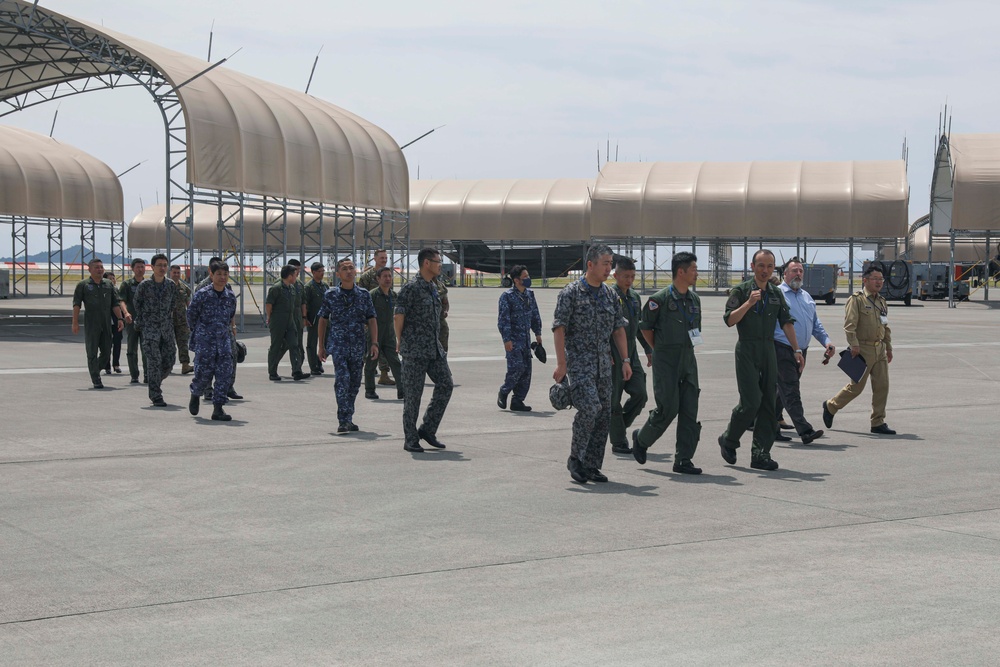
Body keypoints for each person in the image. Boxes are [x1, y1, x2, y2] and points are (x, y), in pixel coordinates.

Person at [718, 249, 804, 471]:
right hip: (747, 347)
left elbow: (786, 322)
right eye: (761, 266)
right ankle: (729, 438)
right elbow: (729, 320)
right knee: (751, 401)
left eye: (769, 266)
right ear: (752, 266)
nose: (765, 271)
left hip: (769, 349)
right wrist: (747, 304)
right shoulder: (742, 290)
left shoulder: (776, 293)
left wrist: (796, 350)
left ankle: (760, 453)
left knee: (767, 402)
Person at [552, 244, 631, 484]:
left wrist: (625, 359)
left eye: (610, 263)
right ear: (590, 265)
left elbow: (618, 329)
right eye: (605, 263)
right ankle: (576, 458)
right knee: (590, 409)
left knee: (604, 415)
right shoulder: (571, 293)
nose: (609, 268)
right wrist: (561, 363)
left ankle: (592, 465)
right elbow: (559, 328)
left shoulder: (610, 295)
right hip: (579, 364)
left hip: (604, 366)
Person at [630, 252, 704, 474]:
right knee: (668, 408)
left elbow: (696, 330)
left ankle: (683, 459)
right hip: (667, 361)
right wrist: (659, 349)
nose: (696, 273)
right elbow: (644, 328)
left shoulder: (694, 299)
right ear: (680, 271)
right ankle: (642, 439)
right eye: (693, 269)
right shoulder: (659, 300)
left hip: (688, 359)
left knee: (690, 409)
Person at [822, 265, 895, 435]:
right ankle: (831, 406)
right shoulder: (857, 300)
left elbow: (886, 326)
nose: (879, 282)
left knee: (882, 386)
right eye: (875, 279)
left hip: (880, 349)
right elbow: (849, 325)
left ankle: (877, 422)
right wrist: (854, 344)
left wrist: (889, 347)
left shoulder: (882, 302)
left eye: (881, 279)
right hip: (862, 349)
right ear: (865, 280)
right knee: (856, 387)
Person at [394, 247, 452, 453]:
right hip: (414, 350)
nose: (440, 265)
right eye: (437, 261)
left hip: (434, 350)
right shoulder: (411, 288)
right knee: (413, 396)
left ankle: (427, 429)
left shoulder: (433, 287)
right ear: (426, 263)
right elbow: (399, 315)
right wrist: (399, 341)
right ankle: (410, 438)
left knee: (446, 385)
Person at [773, 259, 834, 445]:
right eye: (793, 271)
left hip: (802, 351)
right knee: (791, 390)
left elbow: (815, 324)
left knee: (781, 391)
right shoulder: (777, 294)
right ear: (785, 274)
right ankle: (805, 430)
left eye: (800, 271)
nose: (798, 274)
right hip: (782, 348)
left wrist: (827, 342)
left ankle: (768, 424)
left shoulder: (807, 297)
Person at [317, 258, 379, 433]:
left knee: (354, 384)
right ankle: (343, 420)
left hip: (358, 346)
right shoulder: (331, 295)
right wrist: (321, 346)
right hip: (338, 345)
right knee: (342, 381)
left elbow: (372, 319)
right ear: (338, 274)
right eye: (344, 269)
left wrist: (374, 343)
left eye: (351, 268)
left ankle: (348, 417)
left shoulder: (364, 295)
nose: (349, 271)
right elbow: (322, 319)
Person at [608, 257, 652, 453]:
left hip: (632, 351)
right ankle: (618, 441)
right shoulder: (608, 295)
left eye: (632, 276)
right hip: (613, 351)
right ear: (615, 275)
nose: (629, 280)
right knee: (613, 398)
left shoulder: (634, 297)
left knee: (640, 394)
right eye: (625, 276)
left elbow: (639, 326)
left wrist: (648, 349)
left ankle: (617, 428)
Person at [187, 262, 238, 421]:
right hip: (206, 342)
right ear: (212, 275)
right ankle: (195, 394)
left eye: (225, 274)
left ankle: (218, 408)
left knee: (224, 375)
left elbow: (230, 317)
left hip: (223, 342)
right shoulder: (202, 294)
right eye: (219, 274)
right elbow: (191, 316)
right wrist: (201, 333)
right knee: (203, 374)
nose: (222, 278)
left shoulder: (230, 296)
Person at [133, 254, 178, 407]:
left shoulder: (171, 285)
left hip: (166, 329)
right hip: (150, 330)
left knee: (169, 361)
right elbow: (137, 304)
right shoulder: (145, 285)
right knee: (154, 362)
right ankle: (155, 395)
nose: (162, 268)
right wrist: (144, 323)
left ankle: (155, 381)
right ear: (152, 267)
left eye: (165, 265)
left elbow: (173, 304)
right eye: (159, 265)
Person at [72, 259, 124, 389]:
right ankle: (96, 378)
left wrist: (120, 318)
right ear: (89, 269)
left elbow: (115, 304)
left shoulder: (108, 284)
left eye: (101, 267)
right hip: (91, 323)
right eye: (96, 267)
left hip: (106, 322)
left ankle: (96, 368)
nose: (100, 270)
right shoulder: (83, 285)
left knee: (107, 351)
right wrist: (75, 322)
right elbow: (76, 304)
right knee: (92, 351)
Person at [496, 265, 542, 412]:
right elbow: (503, 320)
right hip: (514, 340)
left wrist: (538, 333)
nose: (528, 279)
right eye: (525, 277)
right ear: (516, 280)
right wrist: (506, 339)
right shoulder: (507, 296)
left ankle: (518, 400)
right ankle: (504, 391)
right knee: (516, 368)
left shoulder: (530, 295)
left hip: (526, 340)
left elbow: (535, 314)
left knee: (526, 371)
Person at [364, 266, 404, 400]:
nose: (388, 279)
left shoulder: (393, 295)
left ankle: (402, 390)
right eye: (385, 276)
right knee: (371, 362)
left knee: (396, 362)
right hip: (374, 334)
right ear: (378, 279)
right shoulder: (372, 295)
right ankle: (369, 390)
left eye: (389, 276)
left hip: (389, 335)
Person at [265, 265, 309, 381]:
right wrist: (269, 317)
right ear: (290, 276)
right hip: (278, 321)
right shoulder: (276, 288)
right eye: (295, 275)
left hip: (290, 321)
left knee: (294, 344)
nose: (296, 277)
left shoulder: (292, 288)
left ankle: (296, 371)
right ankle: (272, 372)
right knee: (276, 346)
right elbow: (269, 304)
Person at [358, 248, 394, 386]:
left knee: (384, 347)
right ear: (375, 259)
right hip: (371, 318)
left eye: (385, 258)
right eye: (382, 258)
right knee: (368, 347)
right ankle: (361, 372)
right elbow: (360, 296)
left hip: (385, 318)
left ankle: (384, 374)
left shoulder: (387, 275)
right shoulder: (367, 276)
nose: (384, 260)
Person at [118, 257, 148, 384]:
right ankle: (134, 375)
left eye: (142, 267)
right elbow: (121, 300)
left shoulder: (148, 284)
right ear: (133, 269)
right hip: (132, 320)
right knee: (132, 349)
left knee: (147, 349)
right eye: (138, 267)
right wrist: (125, 313)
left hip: (146, 321)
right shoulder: (127, 284)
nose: (140, 269)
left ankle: (148, 374)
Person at [303, 261, 330, 375]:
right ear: (313, 272)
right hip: (314, 319)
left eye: (323, 271)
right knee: (312, 343)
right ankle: (313, 366)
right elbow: (304, 303)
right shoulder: (309, 287)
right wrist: (305, 318)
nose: (322, 273)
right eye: (319, 271)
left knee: (327, 342)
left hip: (326, 319)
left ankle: (319, 361)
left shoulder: (325, 286)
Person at [169, 264, 194, 375]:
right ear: (170, 273)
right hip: (168, 320)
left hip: (182, 320)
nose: (176, 275)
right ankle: (167, 366)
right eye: (174, 272)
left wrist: (191, 317)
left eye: (178, 273)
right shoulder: (165, 286)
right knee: (168, 345)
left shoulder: (184, 288)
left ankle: (185, 365)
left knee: (183, 343)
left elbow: (189, 303)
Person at [287, 258, 307, 371]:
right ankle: (273, 368)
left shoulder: (299, 284)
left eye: (299, 270)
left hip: (297, 318)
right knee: (282, 346)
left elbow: (303, 302)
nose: (298, 272)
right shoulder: (280, 284)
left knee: (298, 345)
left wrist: (304, 317)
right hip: (285, 318)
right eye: (296, 270)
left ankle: (297, 369)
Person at [102, 271, 123, 375]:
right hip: (106, 320)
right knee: (107, 344)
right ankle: (107, 366)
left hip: (117, 320)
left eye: (113, 278)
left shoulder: (118, 291)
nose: (112, 280)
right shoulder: (103, 291)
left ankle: (116, 364)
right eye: (109, 278)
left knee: (118, 342)